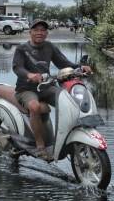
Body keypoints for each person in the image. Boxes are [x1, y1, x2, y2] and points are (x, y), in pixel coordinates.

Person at [12, 19, 93, 161]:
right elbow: (17, 67)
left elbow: (63, 63)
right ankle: (40, 144)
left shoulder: (49, 47)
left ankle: (73, 135)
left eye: (42, 30)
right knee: (34, 106)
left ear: (47, 33)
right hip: (26, 88)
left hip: (46, 87)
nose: (39, 33)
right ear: (30, 33)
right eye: (36, 30)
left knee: (71, 101)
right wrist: (29, 75)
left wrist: (80, 67)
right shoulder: (22, 49)